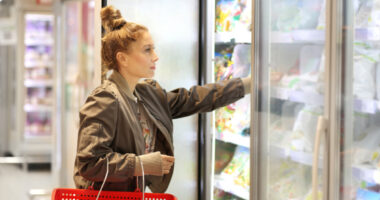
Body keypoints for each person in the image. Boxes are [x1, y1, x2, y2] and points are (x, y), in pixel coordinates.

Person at [73, 5, 251, 193]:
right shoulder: (104, 99)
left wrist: (248, 84)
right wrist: (140, 164)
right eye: (147, 50)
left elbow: (195, 98)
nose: (155, 57)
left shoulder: (147, 95)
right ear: (123, 59)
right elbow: (89, 163)